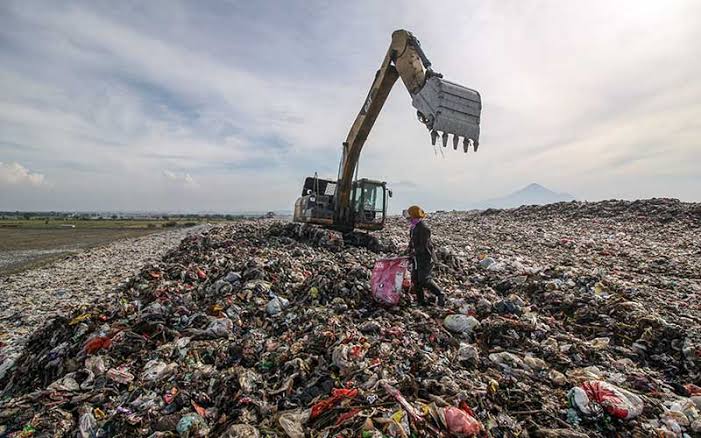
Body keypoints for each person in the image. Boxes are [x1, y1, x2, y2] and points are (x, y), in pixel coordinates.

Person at [403, 205, 445, 306]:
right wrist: (408, 250)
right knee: (415, 279)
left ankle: (440, 294)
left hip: (425, 257)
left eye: (410, 217)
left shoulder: (423, 228)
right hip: (416, 258)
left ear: (414, 216)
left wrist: (414, 252)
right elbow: (412, 242)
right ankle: (421, 302)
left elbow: (424, 245)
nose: (409, 219)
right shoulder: (413, 228)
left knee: (424, 279)